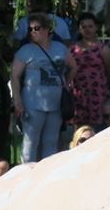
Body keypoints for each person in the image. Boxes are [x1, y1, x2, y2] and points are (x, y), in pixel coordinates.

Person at [11, 12, 76, 163]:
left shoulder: (60, 48)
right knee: (30, 142)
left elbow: (73, 67)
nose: (33, 32)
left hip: (55, 102)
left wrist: (66, 83)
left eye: (37, 28)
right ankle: (26, 177)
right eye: (30, 29)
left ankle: (46, 179)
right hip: (32, 103)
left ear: (47, 30)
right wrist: (17, 101)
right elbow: (14, 76)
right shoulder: (25, 50)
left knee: (50, 142)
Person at [69, 12, 110, 128]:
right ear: (79, 29)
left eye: (90, 26)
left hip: (97, 94)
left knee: (98, 128)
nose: (87, 29)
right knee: (80, 129)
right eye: (83, 27)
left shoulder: (104, 49)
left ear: (96, 27)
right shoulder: (72, 49)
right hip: (78, 94)